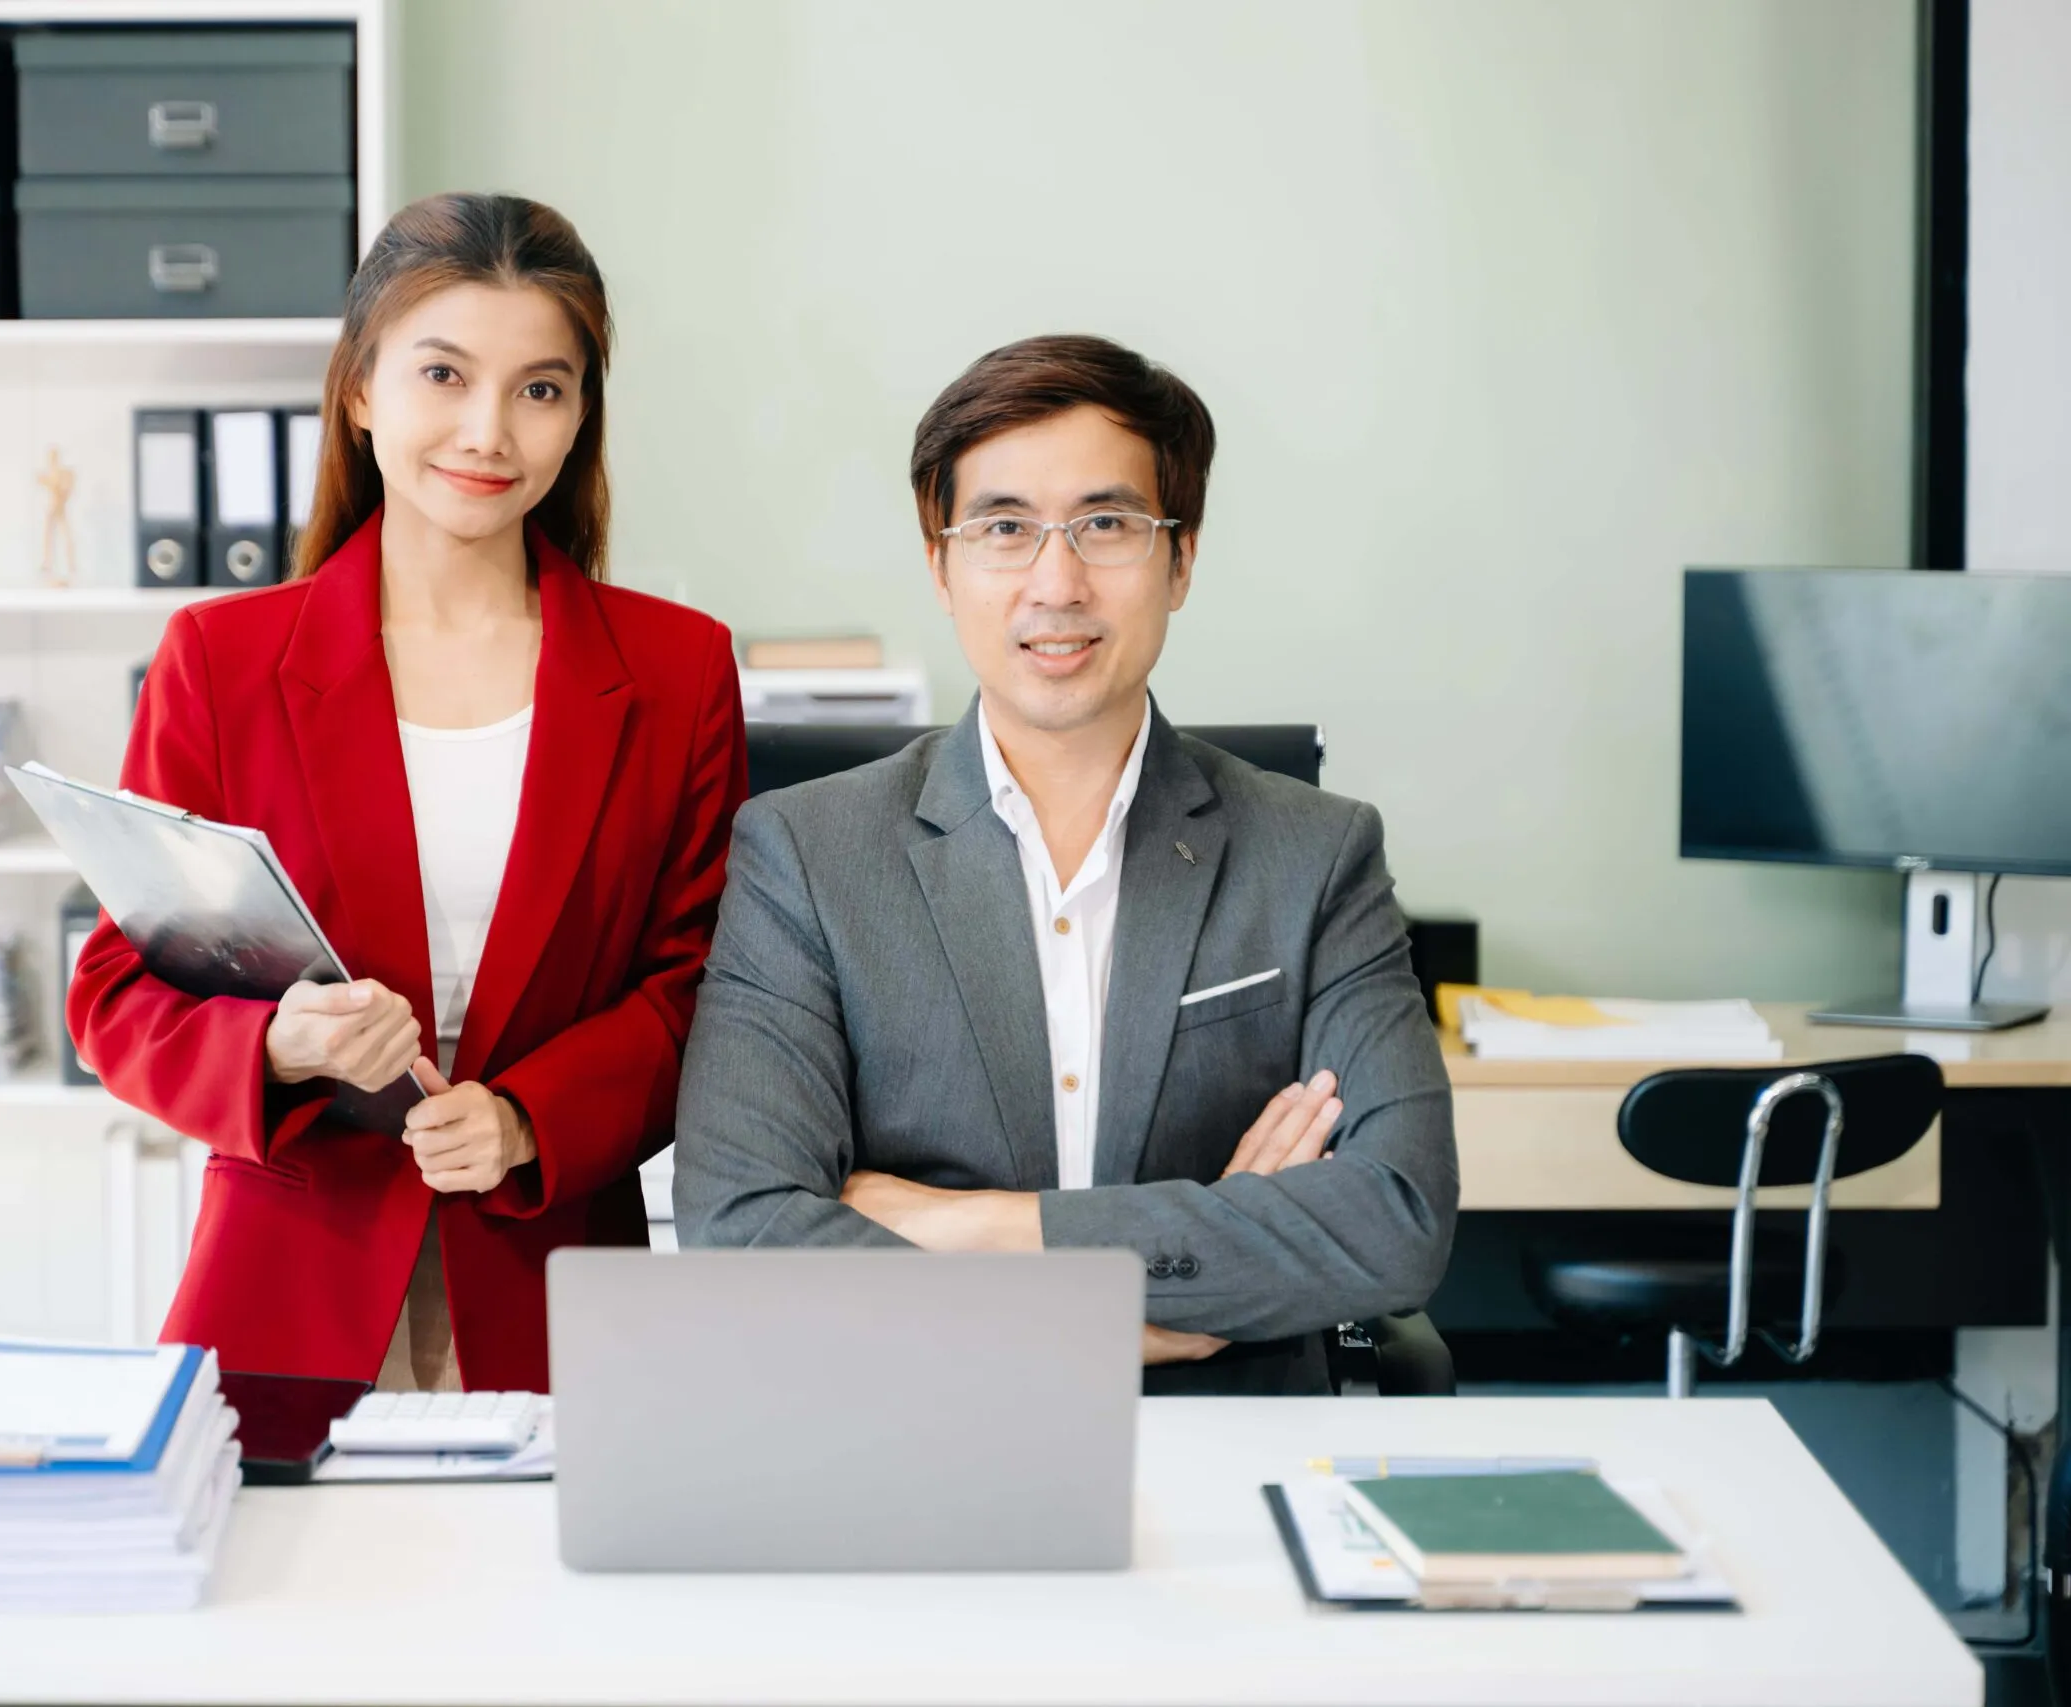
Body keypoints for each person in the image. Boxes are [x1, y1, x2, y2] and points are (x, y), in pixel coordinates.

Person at [672, 334, 1455, 1394]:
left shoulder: (1316, 853)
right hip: (913, 1437)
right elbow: (743, 1230)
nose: (1057, 581)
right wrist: (1136, 1304)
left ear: (1179, 560)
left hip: (1229, 1442)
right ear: (939, 562)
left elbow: (1393, 1224)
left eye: (1106, 525)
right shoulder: (805, 855)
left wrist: (979, 1227)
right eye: (1003, 528)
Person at [72, 194, 746, 1393]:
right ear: (360, 389)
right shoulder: (220, 662)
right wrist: (274, 1045)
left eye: (541, 388)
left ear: (580, 415)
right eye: (444, 374)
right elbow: (118, 994)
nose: (488, 431)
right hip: (290, 1280)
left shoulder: (677, 670)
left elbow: (702, 991)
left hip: (558, 1284)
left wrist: (532, 1118)